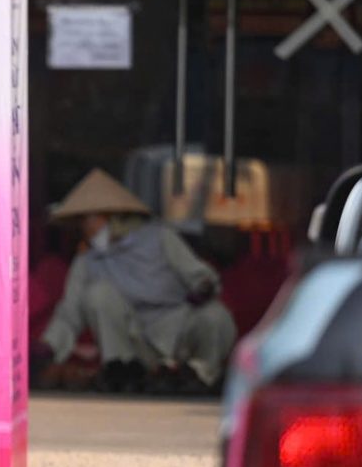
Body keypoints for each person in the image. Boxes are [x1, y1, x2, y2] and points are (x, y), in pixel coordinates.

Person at [34, 169, 238, 395]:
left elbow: (200, 276)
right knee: (97, 294)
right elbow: (69, 312)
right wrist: (48, 346)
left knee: (215, 315)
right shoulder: (86, 262)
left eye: (88, 220)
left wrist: (203, 287)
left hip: (178, 331)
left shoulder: (160, 238)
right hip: (135, 343)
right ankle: (120, 373)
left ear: (112, 216)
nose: (84, 228)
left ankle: (200, 375)